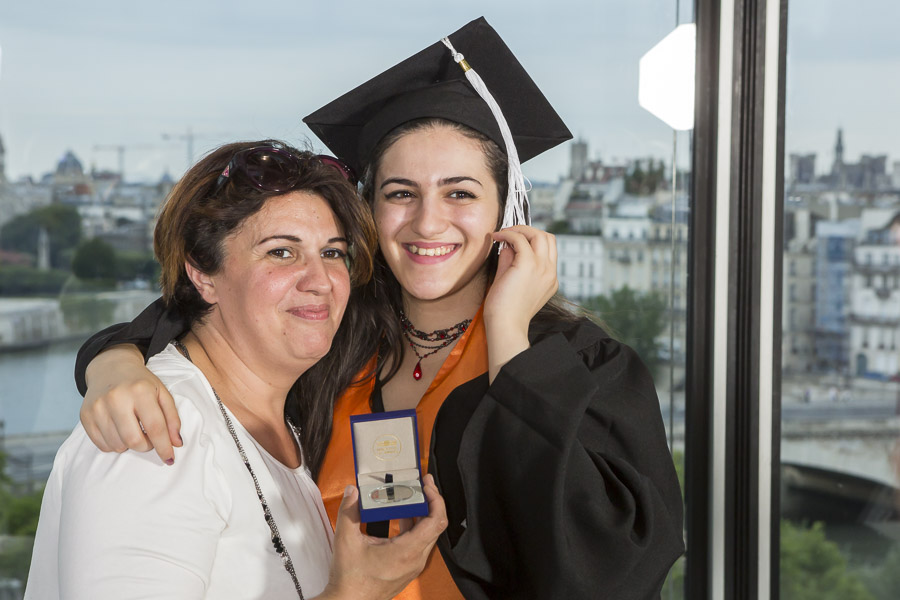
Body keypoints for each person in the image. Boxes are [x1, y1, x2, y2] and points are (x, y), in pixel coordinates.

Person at [73, 18, 684, 599]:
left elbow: (609, 577)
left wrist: (508, 340)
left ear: (507, 208)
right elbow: (202, 315)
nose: (427, 221)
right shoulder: (336, 339)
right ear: (369, 210)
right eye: (400, 193)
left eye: (460, 193)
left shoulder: (583, 367)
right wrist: (116, 362)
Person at [26, 140, 447, 600]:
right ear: (202, 274)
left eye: (332, 253)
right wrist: (356, 593)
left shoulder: (291, 424)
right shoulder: (156, 436)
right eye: (281, 252)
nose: (321, 279)